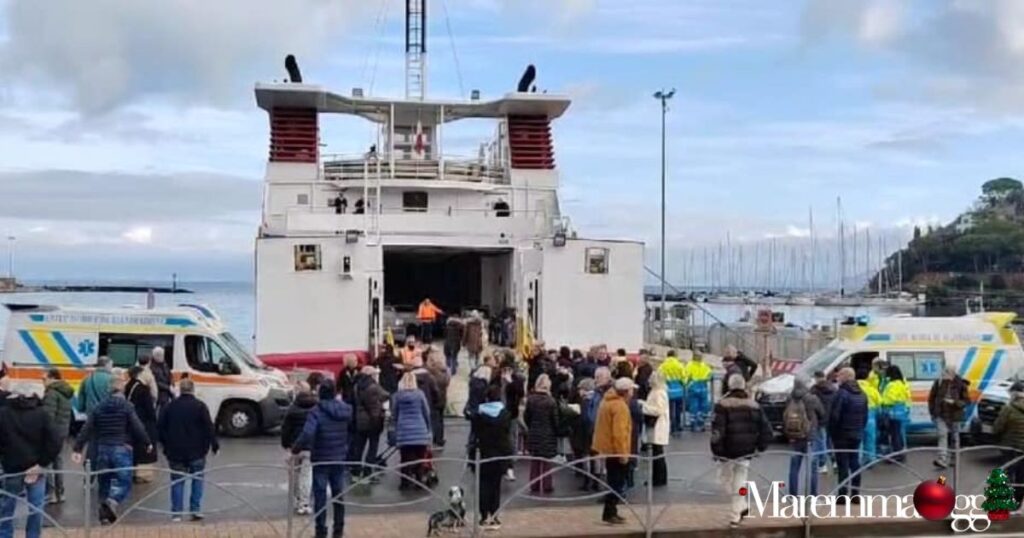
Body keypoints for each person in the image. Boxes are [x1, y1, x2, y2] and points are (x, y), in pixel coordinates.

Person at [72, 377, 153, 524]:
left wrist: (77, 448)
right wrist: (147, 442)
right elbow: (137, 426)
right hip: (121, 448)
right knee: (125, 481)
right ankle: (112, 501)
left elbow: (87, 428)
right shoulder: (127, 406)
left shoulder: (99, 407)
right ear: (122, 390)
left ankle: (104, 515)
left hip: (103, 448)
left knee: (104, 483)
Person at [292, 382, 353, 538]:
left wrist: (295, 449)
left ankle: (321, 531)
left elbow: (307, 433)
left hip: (321, 458)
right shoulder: (345, 409)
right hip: (339, 457)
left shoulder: (316, 411)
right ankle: (338, 530)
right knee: (338, 494)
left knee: (320, 496)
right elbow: (352, 430)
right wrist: (346, 446)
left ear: (320, 394)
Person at [0, 385, 62, 538]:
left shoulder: (4, 414)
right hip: (36, 468)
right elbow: (55, 441)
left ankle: (5, 534)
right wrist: (41, 463)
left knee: (7, 506)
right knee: (36, 508)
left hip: (11, 467)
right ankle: (33, 535)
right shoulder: (42, 414)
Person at [711, 374, 772, 527]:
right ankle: (741, 507)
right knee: (740, 481)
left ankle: (736, 513)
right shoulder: (754, 405)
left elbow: (717, 431)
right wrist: (760, 447)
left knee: (725, 479)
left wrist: (716, 451)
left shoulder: (722, 405)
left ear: (730, 386)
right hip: (747, 450)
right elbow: (766, 429)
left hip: (727, 451)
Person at [158, 379, 219, 522]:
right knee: (197, 480)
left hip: (175, 451)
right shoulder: (200, 406)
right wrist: (214, 445)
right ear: (192, 390)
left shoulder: (170, 407)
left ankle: (177, 513)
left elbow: (160, 428)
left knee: (177, 482)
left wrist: (166, 446)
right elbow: (209, 427)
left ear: (180, 390)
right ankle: (195, 510)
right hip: (197, 451)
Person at [592, 377, 634, 525]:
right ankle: (610, 512)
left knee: (612, 481)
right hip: (616, 450)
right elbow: (619, 433)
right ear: (626, 391)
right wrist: (623, 454)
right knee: (616, 483)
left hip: (607, 448)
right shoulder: (620, 407)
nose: (633, 392)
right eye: (631, 390)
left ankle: (611, 512)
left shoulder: (607, 401)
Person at [474, 386, 512, 530]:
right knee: (496, 486)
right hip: (500, 453)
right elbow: (507, 435)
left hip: (483, 452)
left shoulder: (479, 414)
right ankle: (495, 516)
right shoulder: (505, 414)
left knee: (483, 485)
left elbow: (475, 433)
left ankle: (483, 516)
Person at [829, 367, 868, 501]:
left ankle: (842, 495)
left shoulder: (842, 393)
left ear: (845, 377)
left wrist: (832, 432)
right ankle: (855, 494)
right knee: (854, 462)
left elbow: (835, 415)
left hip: (842, 434)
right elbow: (865, 415)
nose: (837, 378)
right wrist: (860, 428)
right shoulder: (862, 394)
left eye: (839, 376)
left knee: (843, 465)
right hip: (856, 432)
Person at [391, 372, 432, 490]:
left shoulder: (397, 396)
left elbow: (394, 413)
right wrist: (428, 429)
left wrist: (395, 428)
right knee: (420, 458)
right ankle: (419, 481)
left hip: (404, 431)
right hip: (420, 430)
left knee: (405, 459)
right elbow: (426, 412)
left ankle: (405, 482)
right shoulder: (420, 394)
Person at [784, 377, 825, 496]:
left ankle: (793, 494)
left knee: (794, 467)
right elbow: (822, 414)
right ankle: (812, 494)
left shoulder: (790, 398)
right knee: (812, 468)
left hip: (795, 436)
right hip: (810, 436)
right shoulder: (812, 398)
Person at [281, 381, 317, 515]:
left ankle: (296, 500)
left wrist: (286, 445)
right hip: (310, 447)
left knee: (294, 475)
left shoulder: (292, 409)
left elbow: (285, 429)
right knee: (306, 476)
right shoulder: (315, 408)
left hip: (294, 446)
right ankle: (304, 503)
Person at [41, 368, 73, 505]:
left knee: (47, 463)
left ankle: (51, 493)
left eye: (44, 379)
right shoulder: (64, 392)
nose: (43, 382)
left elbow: (48, 416)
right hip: (62, 432)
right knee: (58, 462)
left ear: (53, 378)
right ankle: (60, 492)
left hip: (51, 434)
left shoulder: (51, 393)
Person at [351, 366, 389, 481]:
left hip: (360, 420)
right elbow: (385, 395)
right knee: (372, 448)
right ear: (371, 375)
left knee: (359, 447)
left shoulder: (356, 386)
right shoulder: (373, 386)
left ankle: (356, 472)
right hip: (373, 420)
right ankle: (368, 473)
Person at [928, 366, 969, 469]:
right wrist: (933, 412)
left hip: (955, 415)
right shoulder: (939, 383)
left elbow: (966, 401)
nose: (944, 375)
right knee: (942, 435)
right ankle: (942, 459)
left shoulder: (961, 384)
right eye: (944, 372)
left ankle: (954, 459)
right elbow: (931, 398)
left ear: (953, 374)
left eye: (946, 373)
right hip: (941, 414)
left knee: (954, 438)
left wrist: (955, 402)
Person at [524, 374, 559, 494]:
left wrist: (531, 427)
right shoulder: (551, 401)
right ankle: (547, 485)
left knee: (535, 460)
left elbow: (527, 417)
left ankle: (534, 484)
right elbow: (555, 420)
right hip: (548, 433)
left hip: (534, 432)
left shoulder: (531, 399)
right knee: (546, 461)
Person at [125, 366, 159, 484]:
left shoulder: (129, 385)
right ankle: (142, 475)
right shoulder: (143, 389)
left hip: (131, 421)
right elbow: (150, 410)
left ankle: (132, 472)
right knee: (144, 449)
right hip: (144, 422)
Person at [993, 380, 1024, 505]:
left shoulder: (1008, 408)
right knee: (1021, 476)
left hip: (1009, 447)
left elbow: (997, 428)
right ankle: (1018, 502)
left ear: (1013, 394)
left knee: (1008, 473)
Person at [640, 371, 670, 487]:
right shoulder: (656, 391)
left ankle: (659, 479)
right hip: (654, 425)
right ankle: (658, 478)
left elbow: (658, 410)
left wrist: (644, 407)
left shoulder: (659, 393)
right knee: (656, 453)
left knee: (657, 453)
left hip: (658, 425)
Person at [880, 365, 910, 464]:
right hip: (900, 413)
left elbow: (889, 399)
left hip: (891, 412)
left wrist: (882, 402)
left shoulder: (891, 385)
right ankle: (900, 454)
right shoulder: (902, 384)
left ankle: (896, 456)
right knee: (898, 435)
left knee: (894, 436)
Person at [810, 371, 837, 474]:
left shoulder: (814, 390)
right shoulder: (833, 389)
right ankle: (834, 462)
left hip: (819, 420)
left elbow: (813, 406)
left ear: (816, 378)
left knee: (820, 442)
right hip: (831, 419)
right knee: (830, 442)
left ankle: (822, 464)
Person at [658, 350, 687, 437]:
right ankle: (678, 425)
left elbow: (659, 377)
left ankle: (671, 427)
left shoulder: (662, 366)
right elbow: (684, 378)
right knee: (678, 410)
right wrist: (683, 384)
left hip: (667, 391)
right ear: (675, 356)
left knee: (669, 410)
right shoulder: (679, 365)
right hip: (678, 391)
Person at [856, 369, 882, 465]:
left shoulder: (854, 387)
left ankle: (858, 460)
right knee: (870, 439)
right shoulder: (872, 389)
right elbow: (880, 402)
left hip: (857, 416)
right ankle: (871, 459)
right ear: (867, 377)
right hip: (870, 416)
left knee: (858, 440)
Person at [426, 352, 451, 449]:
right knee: (440, 419)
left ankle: (435, 439)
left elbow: (432, 387)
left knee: (434, 420)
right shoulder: (446, 372)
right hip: (443, 397)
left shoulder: (432, 374)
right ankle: (440, 438)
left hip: (434, 398)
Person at [684, 353, 712, 432]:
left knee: (693, 407)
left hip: (693, 388)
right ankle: (701, 423)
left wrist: (686, 384)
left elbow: (685, 377)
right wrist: (705, 379)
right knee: (703, 407)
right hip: (703, 388)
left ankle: (693, 424)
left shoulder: (689, 365)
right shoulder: (704, 366)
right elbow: (710, 374)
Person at [150, 346, 174, 411]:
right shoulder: (152, 367)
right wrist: (168, 387)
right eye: (160, 355)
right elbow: (155, 382)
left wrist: (172, 384)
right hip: (159, 393)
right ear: (156, 356)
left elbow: (170, 375)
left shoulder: (164, 364)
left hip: (168, 392)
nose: (162, 357)